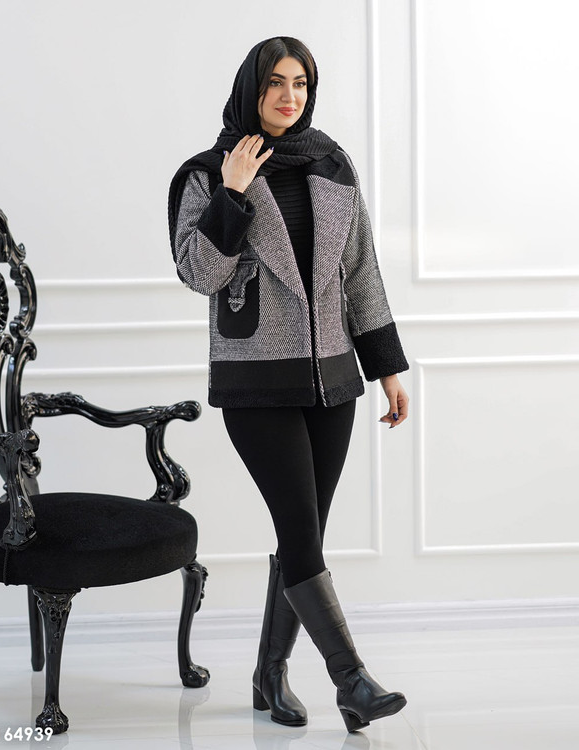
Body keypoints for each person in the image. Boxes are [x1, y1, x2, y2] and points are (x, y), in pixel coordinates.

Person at [168, 36, 410, 734]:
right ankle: (351, 680)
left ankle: (268, 675)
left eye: (300, 82)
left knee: (302, 536)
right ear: (252, 89)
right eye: (275, 82)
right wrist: (233, 193)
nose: (289, 95)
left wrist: (386, 365)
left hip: (332, 379)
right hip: (256, 381)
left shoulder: (332, 165)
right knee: (301, 532)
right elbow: (198, 274)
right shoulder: (208, 172)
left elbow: (360, 272)